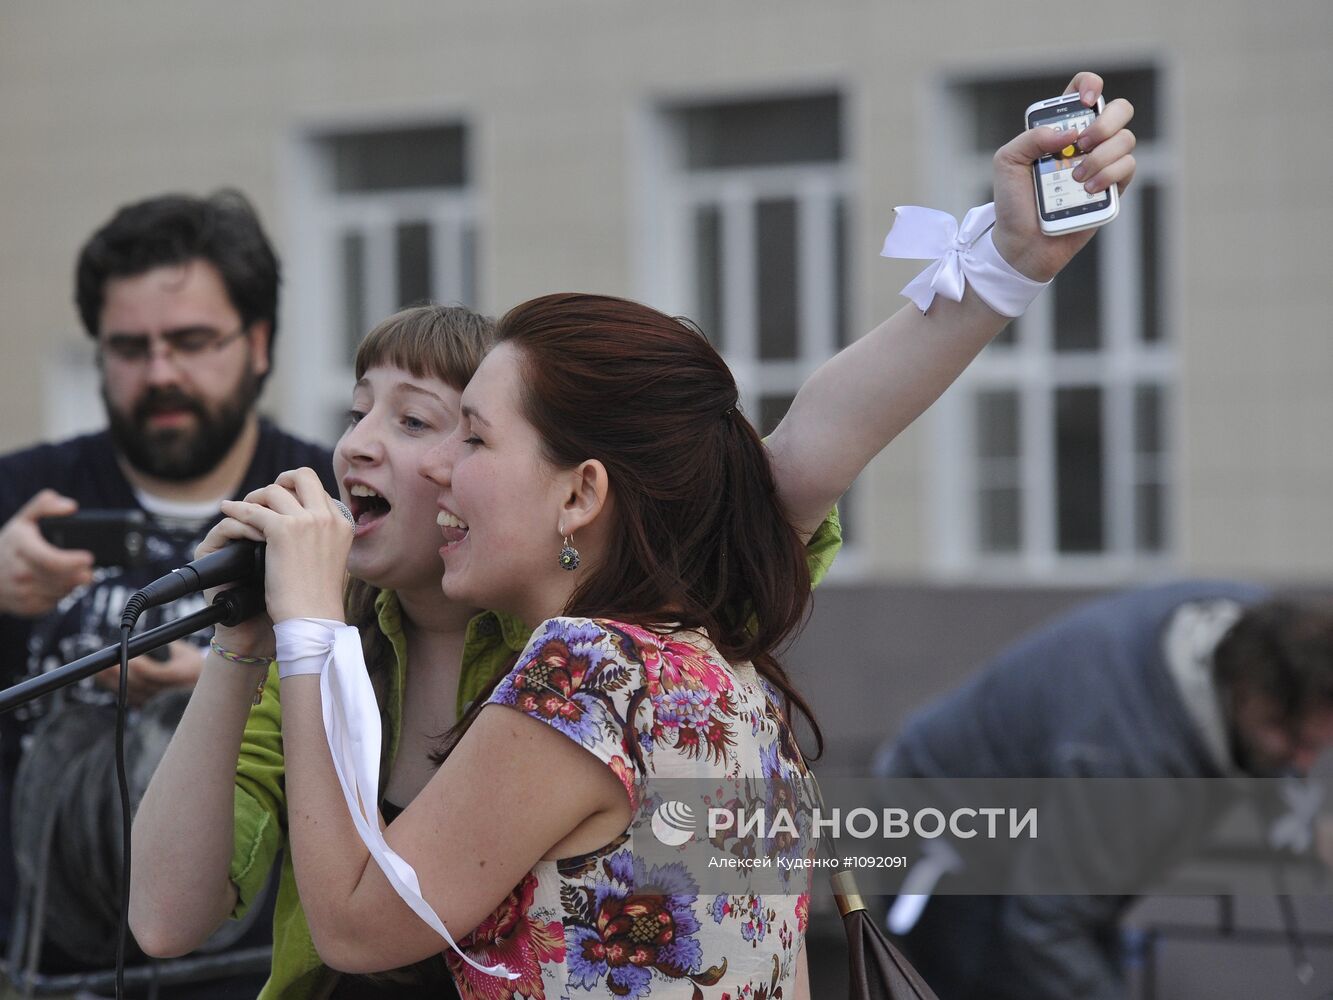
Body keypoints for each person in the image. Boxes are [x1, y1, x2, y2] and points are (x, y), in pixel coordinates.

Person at [130, 72, 1137, 996]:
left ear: (580, 492)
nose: (359, 447)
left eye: (450, 429)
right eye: (356, 413)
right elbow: (166, 917)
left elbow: (806, 446)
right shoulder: (670, 658)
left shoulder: (587, 661)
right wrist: (250, 638)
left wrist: (1006, 264)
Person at [0, 190, 336, 969]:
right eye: (128, 348)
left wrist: (233, 680)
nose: (160, 373)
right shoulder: (20, 493)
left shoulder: (325, 505)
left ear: (258, 344)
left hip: (249, 969)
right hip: (39, 966)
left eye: (190, 341)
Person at [872, 580, 1333, 1000]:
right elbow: (1046, 926)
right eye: (1292, 739)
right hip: (941, 835)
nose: (1303, 763)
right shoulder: (1122, 763)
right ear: (1247, 694)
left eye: (1318, 746)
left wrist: (1304, 826)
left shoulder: (1252, 628)